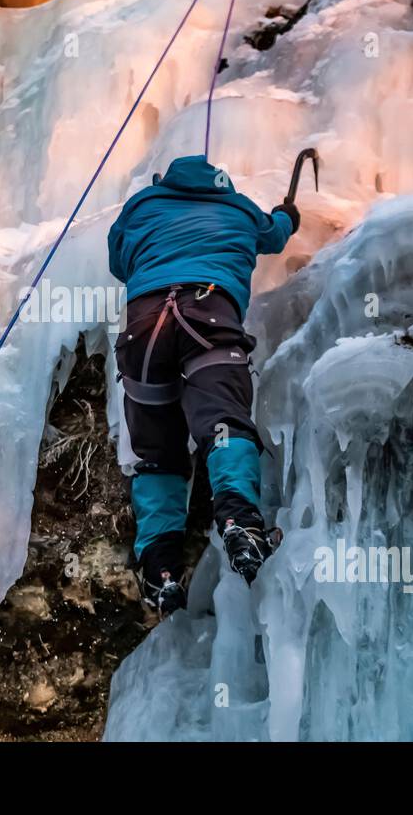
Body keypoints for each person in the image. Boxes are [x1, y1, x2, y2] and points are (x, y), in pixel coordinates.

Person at [108, 154, 300, 615]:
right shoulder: (237, 208)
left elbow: (119, 259)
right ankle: (240, 521)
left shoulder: (143, 204)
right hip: (208, 316)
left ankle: (161, 571)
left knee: (158, 455)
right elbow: (272, 235)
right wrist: (288, 216)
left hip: (145, 326)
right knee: (223, 422)